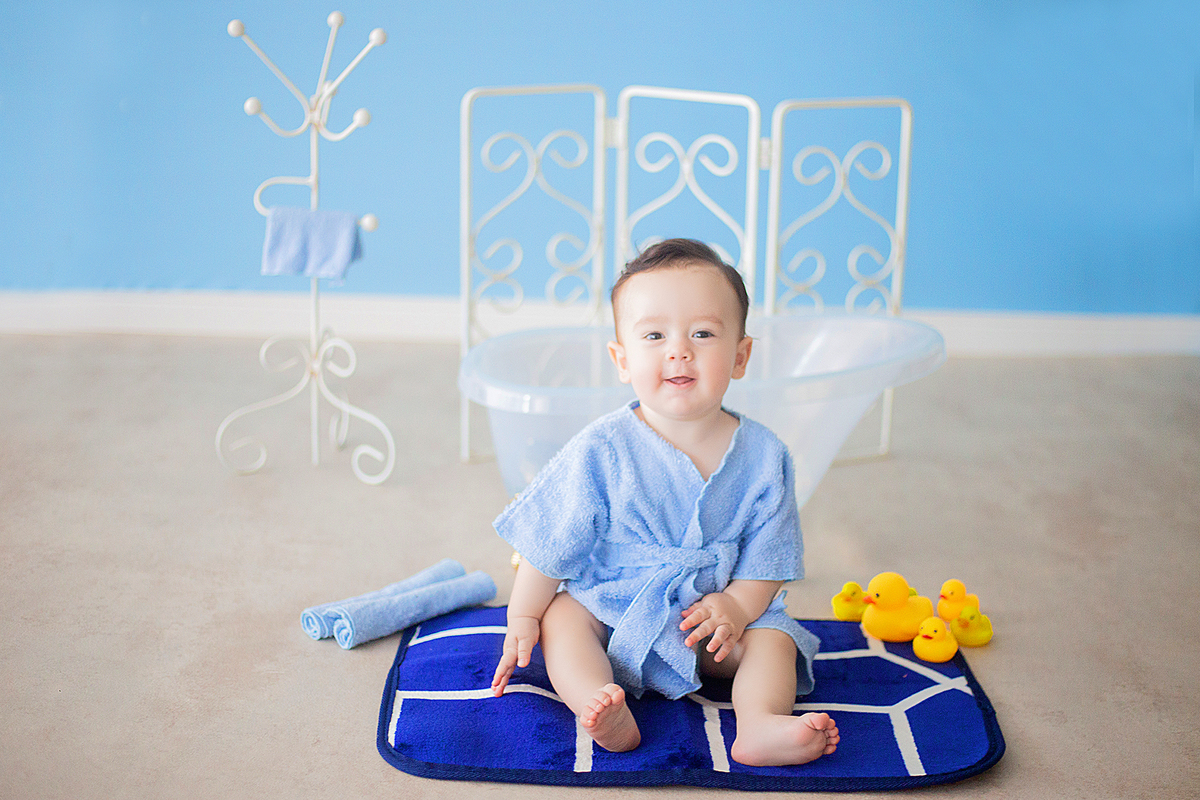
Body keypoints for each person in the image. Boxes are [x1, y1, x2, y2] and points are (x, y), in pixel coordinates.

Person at [490, 238, 839, 767]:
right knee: (563, 615)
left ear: (740, 356)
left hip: (708, 623)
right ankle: (598, 703)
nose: (679, 350)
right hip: (614, 609)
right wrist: (522, 616)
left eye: (702, 333)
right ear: (622, 358)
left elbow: (770, 557)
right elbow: (550, 540)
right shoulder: (601, 446)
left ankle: (760, 723)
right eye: (654, 335)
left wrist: (738, 607)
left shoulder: (766, 455)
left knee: (774, 638)